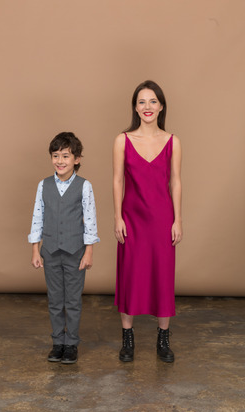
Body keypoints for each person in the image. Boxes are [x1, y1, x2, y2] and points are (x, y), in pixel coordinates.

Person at [113, 80, 182, 363]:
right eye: (142, 102)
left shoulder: (173, 141)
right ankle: (127, 338)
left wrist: (178, 219)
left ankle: (163, 339)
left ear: (161, 106)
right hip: (132, 217)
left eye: (153, 101)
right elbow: (117, 180)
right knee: (130, 274)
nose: (147, 107)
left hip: (162, 218)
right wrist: (117, 216)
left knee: (163, 275)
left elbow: (175, 182)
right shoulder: (122, 140)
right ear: (135, 107)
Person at [28, 132, 100, 364]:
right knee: (55, 300)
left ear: (76, 159)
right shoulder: (44, 185)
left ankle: (71, 344)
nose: (60, 161)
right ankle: (57, 342)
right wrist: (35, 250)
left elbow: (90, 220)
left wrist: (88, 251)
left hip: (75, 252)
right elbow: (37, 217)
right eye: (56, 155)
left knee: (73, 301)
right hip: (49, 251)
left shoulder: (84, 186)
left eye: (65, 156)